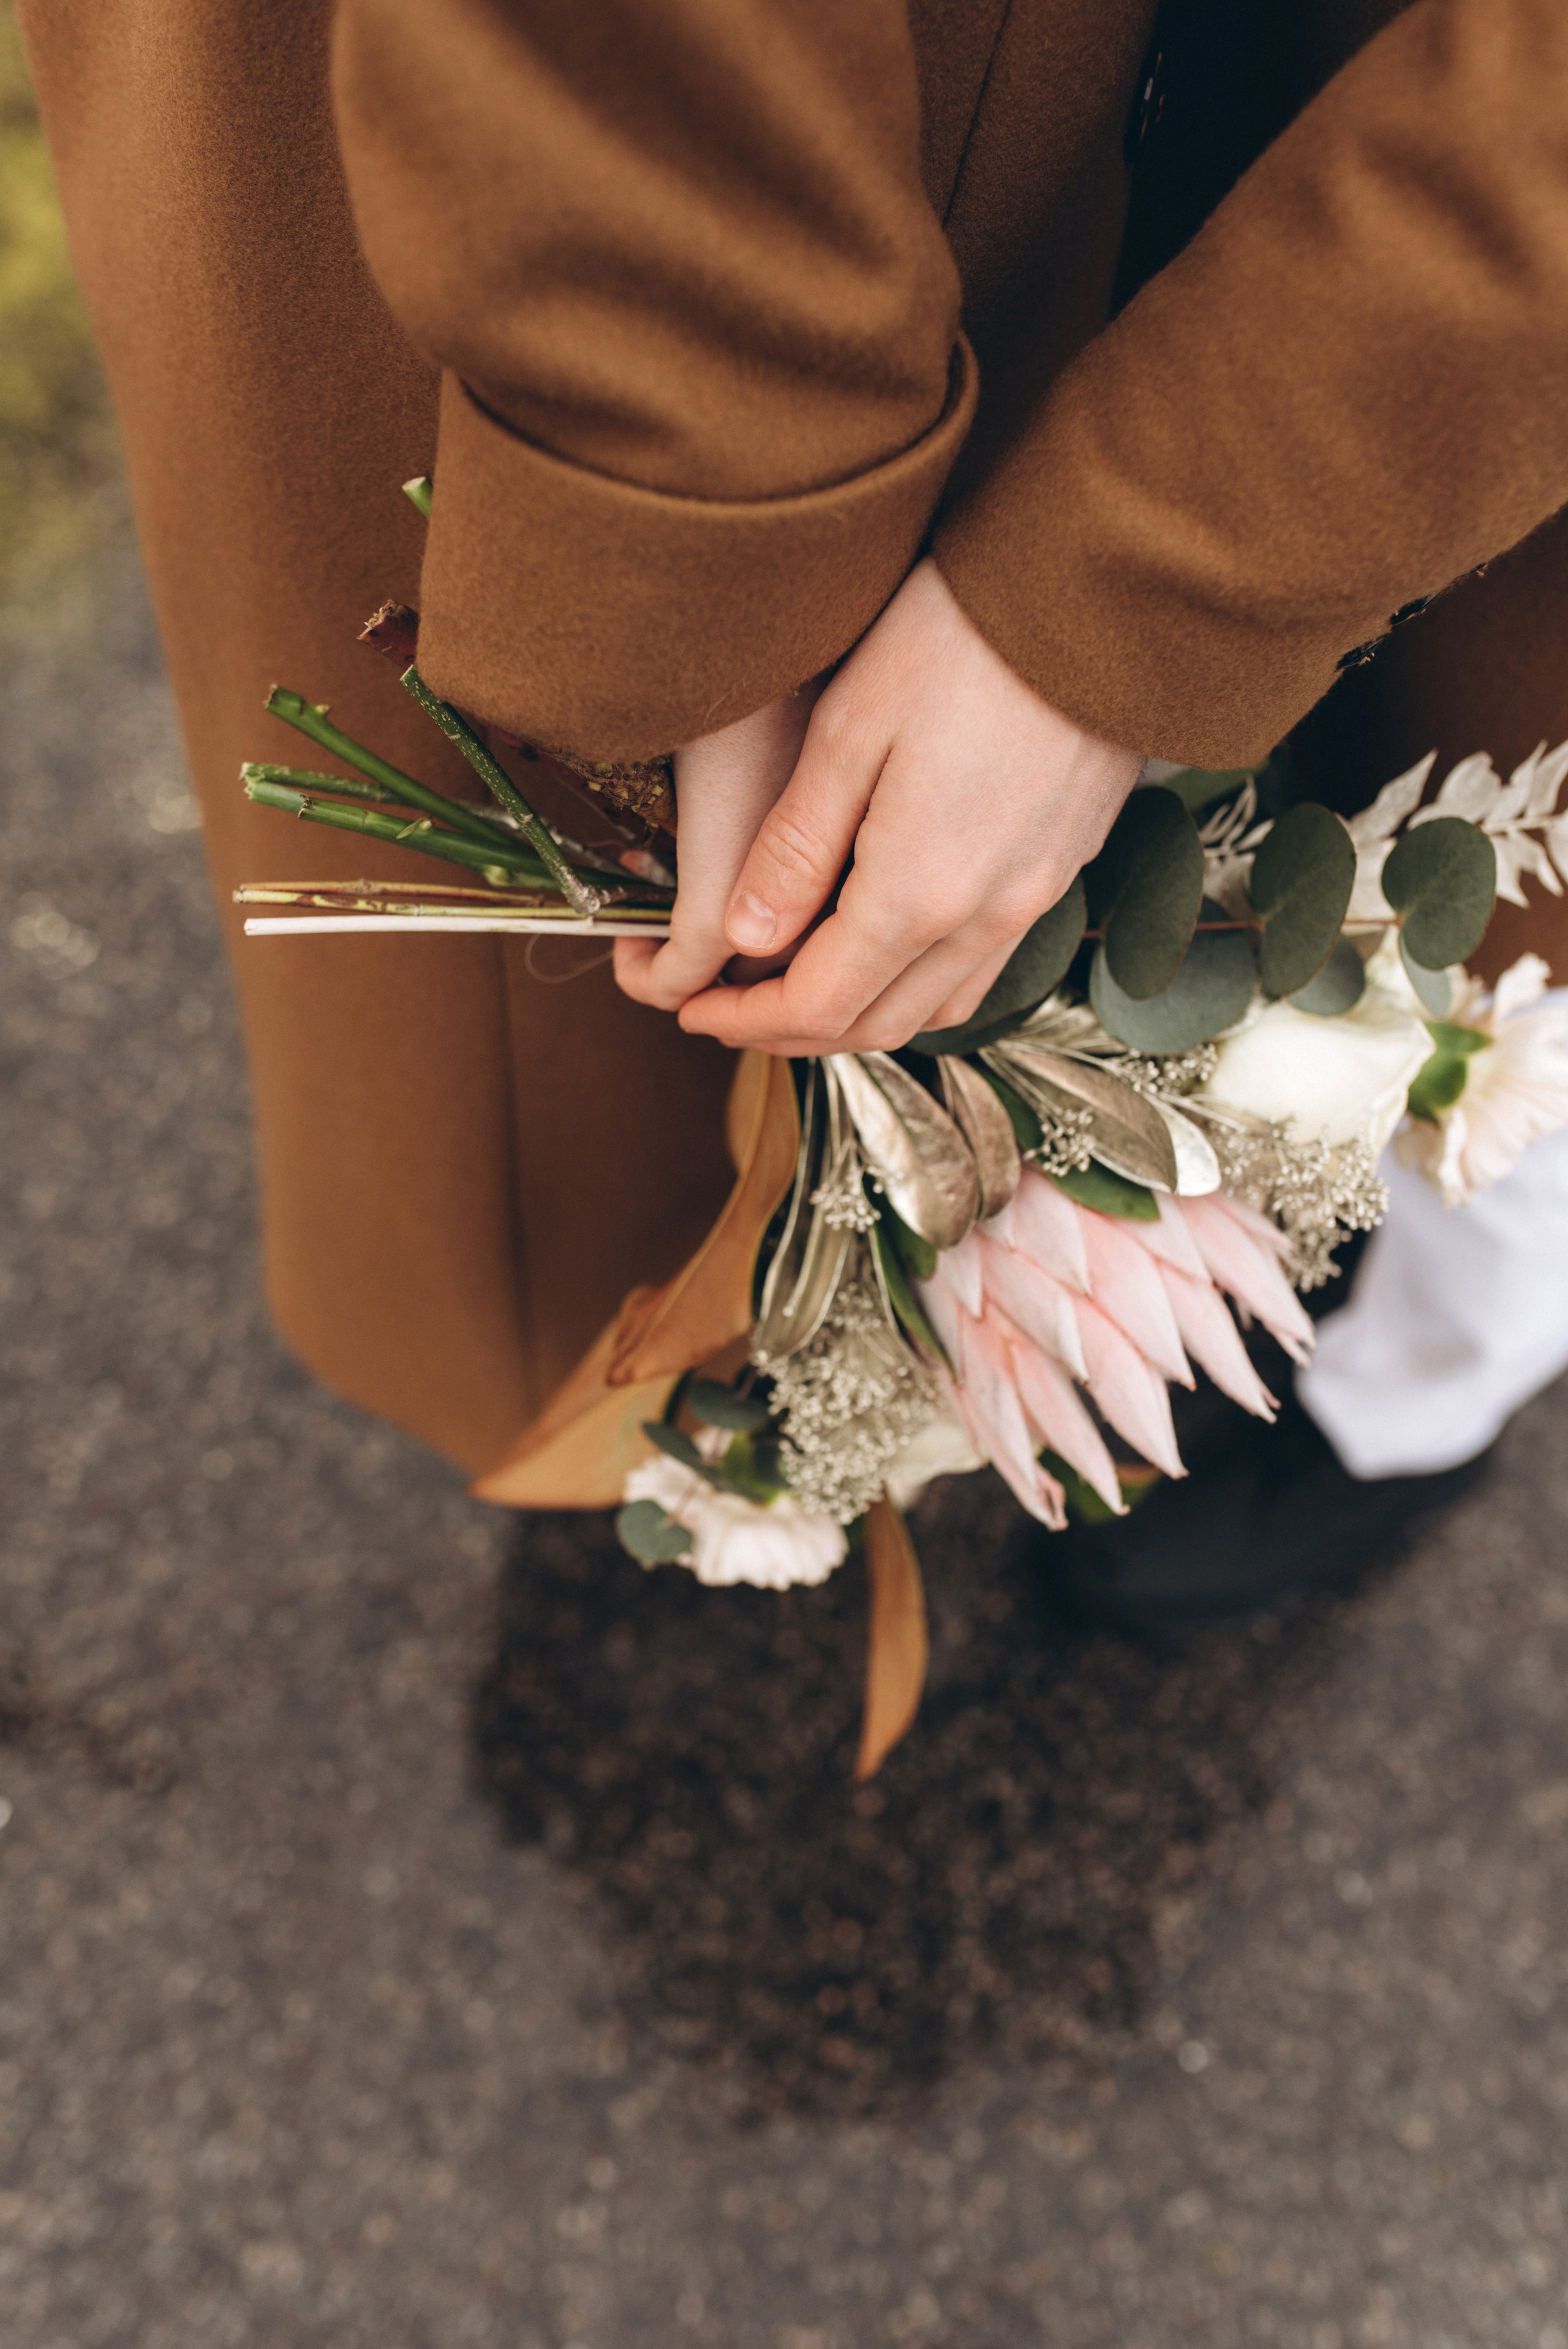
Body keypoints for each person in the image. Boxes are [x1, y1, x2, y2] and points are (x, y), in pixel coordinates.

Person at [19, 2, 1568, 1562]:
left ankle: (1426, 1362)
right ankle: (722, 1431)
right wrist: (722, 542)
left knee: (1496, 886)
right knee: (603, 1129)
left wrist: (1132, 584)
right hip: (682, 175)